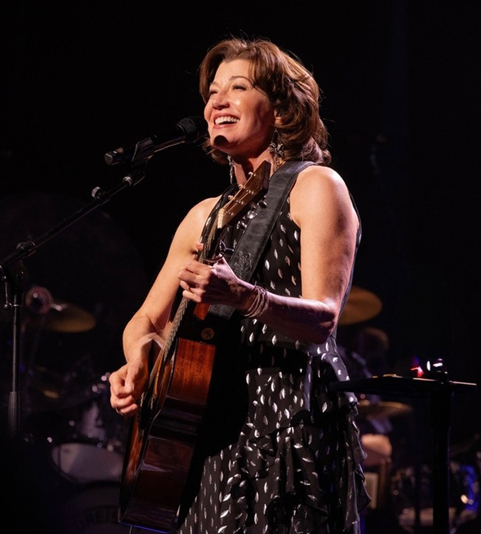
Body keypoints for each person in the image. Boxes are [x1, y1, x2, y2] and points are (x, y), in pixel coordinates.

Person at [109, 36, 371, 534]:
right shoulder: (202, 217)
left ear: (281, 108)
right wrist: (138, 358)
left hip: (288, 429)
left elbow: (324, 318)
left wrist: (245, 296)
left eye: (239, 87)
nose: (217, 101)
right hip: (207, 439)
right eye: (212, 92)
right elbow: (144, 320)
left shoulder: (317, 186)